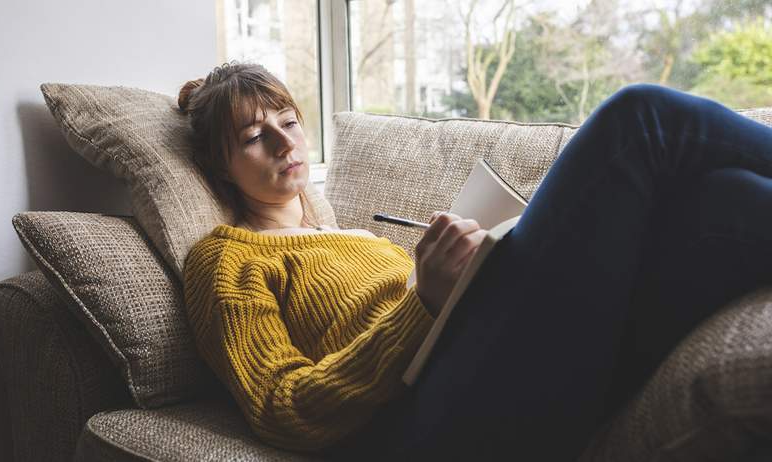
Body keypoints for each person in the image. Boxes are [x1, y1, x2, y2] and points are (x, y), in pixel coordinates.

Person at [180, 61, 772, 461]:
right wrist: (422, 303)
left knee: (727, 198)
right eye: (257, 136)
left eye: (288, 123)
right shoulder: (223, 260)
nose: (285, 143)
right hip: (423, 425)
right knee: (637, 119)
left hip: (502, 361)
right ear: (218, 167)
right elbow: (280, 406)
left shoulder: (356, 237)